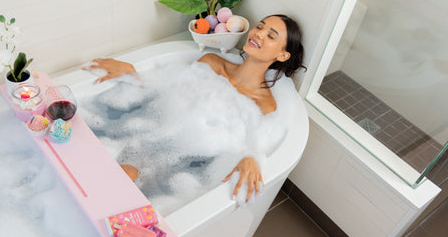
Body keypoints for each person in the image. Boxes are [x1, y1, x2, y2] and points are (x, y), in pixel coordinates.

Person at [82, 14, 305, 202]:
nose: (258, 34)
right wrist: (134, 74)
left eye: (270, 36)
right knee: (100, 165)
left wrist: (250, 157)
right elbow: (168, 86)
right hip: (147, 126)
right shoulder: (211, 63)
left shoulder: (264, 104)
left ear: (282, 55)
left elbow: (250, 142)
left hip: (186, 159)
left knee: (122, 177)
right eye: (260, 27)